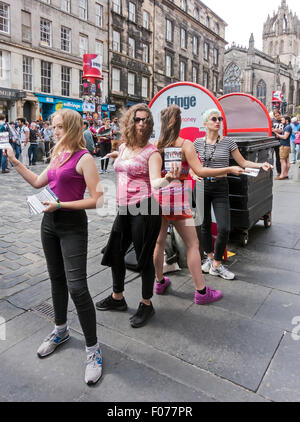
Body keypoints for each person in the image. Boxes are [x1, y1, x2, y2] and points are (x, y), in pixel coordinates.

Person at [6, 109, 104, 386]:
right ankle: (60, 330)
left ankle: (93, 349)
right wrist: (15, 162)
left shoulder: (84, 158)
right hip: (49, 223)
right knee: (57, 280)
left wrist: (61, 205)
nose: (55, 131)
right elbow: (39, 182)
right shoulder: (58, 155)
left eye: (59, 127)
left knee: (78, 287)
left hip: (72, 224)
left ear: (72, 127)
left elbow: (97, 200)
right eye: (53, 126)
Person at [96, 104, 180, 328]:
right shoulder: (123, 147)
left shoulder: (152, 153)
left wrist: (168, 179)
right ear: (130, 122)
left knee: (144, 258)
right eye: (137, 119)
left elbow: (155, 182)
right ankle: (117, 298)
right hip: (124, 208)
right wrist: (117, 155)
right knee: (115, 253)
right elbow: (123, 164)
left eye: (145, 120)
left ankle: (146, 304)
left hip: (144, 209)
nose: (142, 123)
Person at [152, 105, 245, 303]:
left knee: (159, 242)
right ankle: (201, 292)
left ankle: (159, 282)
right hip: (177, 201)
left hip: (158, 199)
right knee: (193, 245)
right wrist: (228, 168)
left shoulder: (157, 144)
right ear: (179, 122)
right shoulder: (185, 144)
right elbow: (200, 171)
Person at [193, 109, 273, 280]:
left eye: (220, 119)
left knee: (224, 228)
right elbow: (189, 165)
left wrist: (261, 165)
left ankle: (217, 264)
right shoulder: (198, 143)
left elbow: (243, 162)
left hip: (221, 186)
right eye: (214, 119)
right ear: (205, 123)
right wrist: (193, 175)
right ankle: (208, 257)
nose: (218, 122)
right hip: (202, 187)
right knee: (205, 224)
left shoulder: (228, 142)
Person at [273, 115, 292, 180]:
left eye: (282, 120)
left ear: (286, 120)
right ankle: (285, 174)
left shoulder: (287, 127)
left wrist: (276, 133)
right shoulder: (287, 126)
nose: (281, 121)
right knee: (286, 160)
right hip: (286, 145)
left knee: (282, 160)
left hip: (284, 145)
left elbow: (285, 137)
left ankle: (282, 175)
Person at [271, 110, 284, 177]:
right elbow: (270, 128)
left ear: (280, 114)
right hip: (273, 141)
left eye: (278, 115)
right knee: (270, 157)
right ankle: (270, 171)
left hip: (281, 141)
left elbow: (286, 129)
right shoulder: (272, 120)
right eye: (276, 116)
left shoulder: (283, 121)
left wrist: (278, 131)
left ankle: (279, 172)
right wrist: (274, 130)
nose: (277, 117)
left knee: (279, 157)